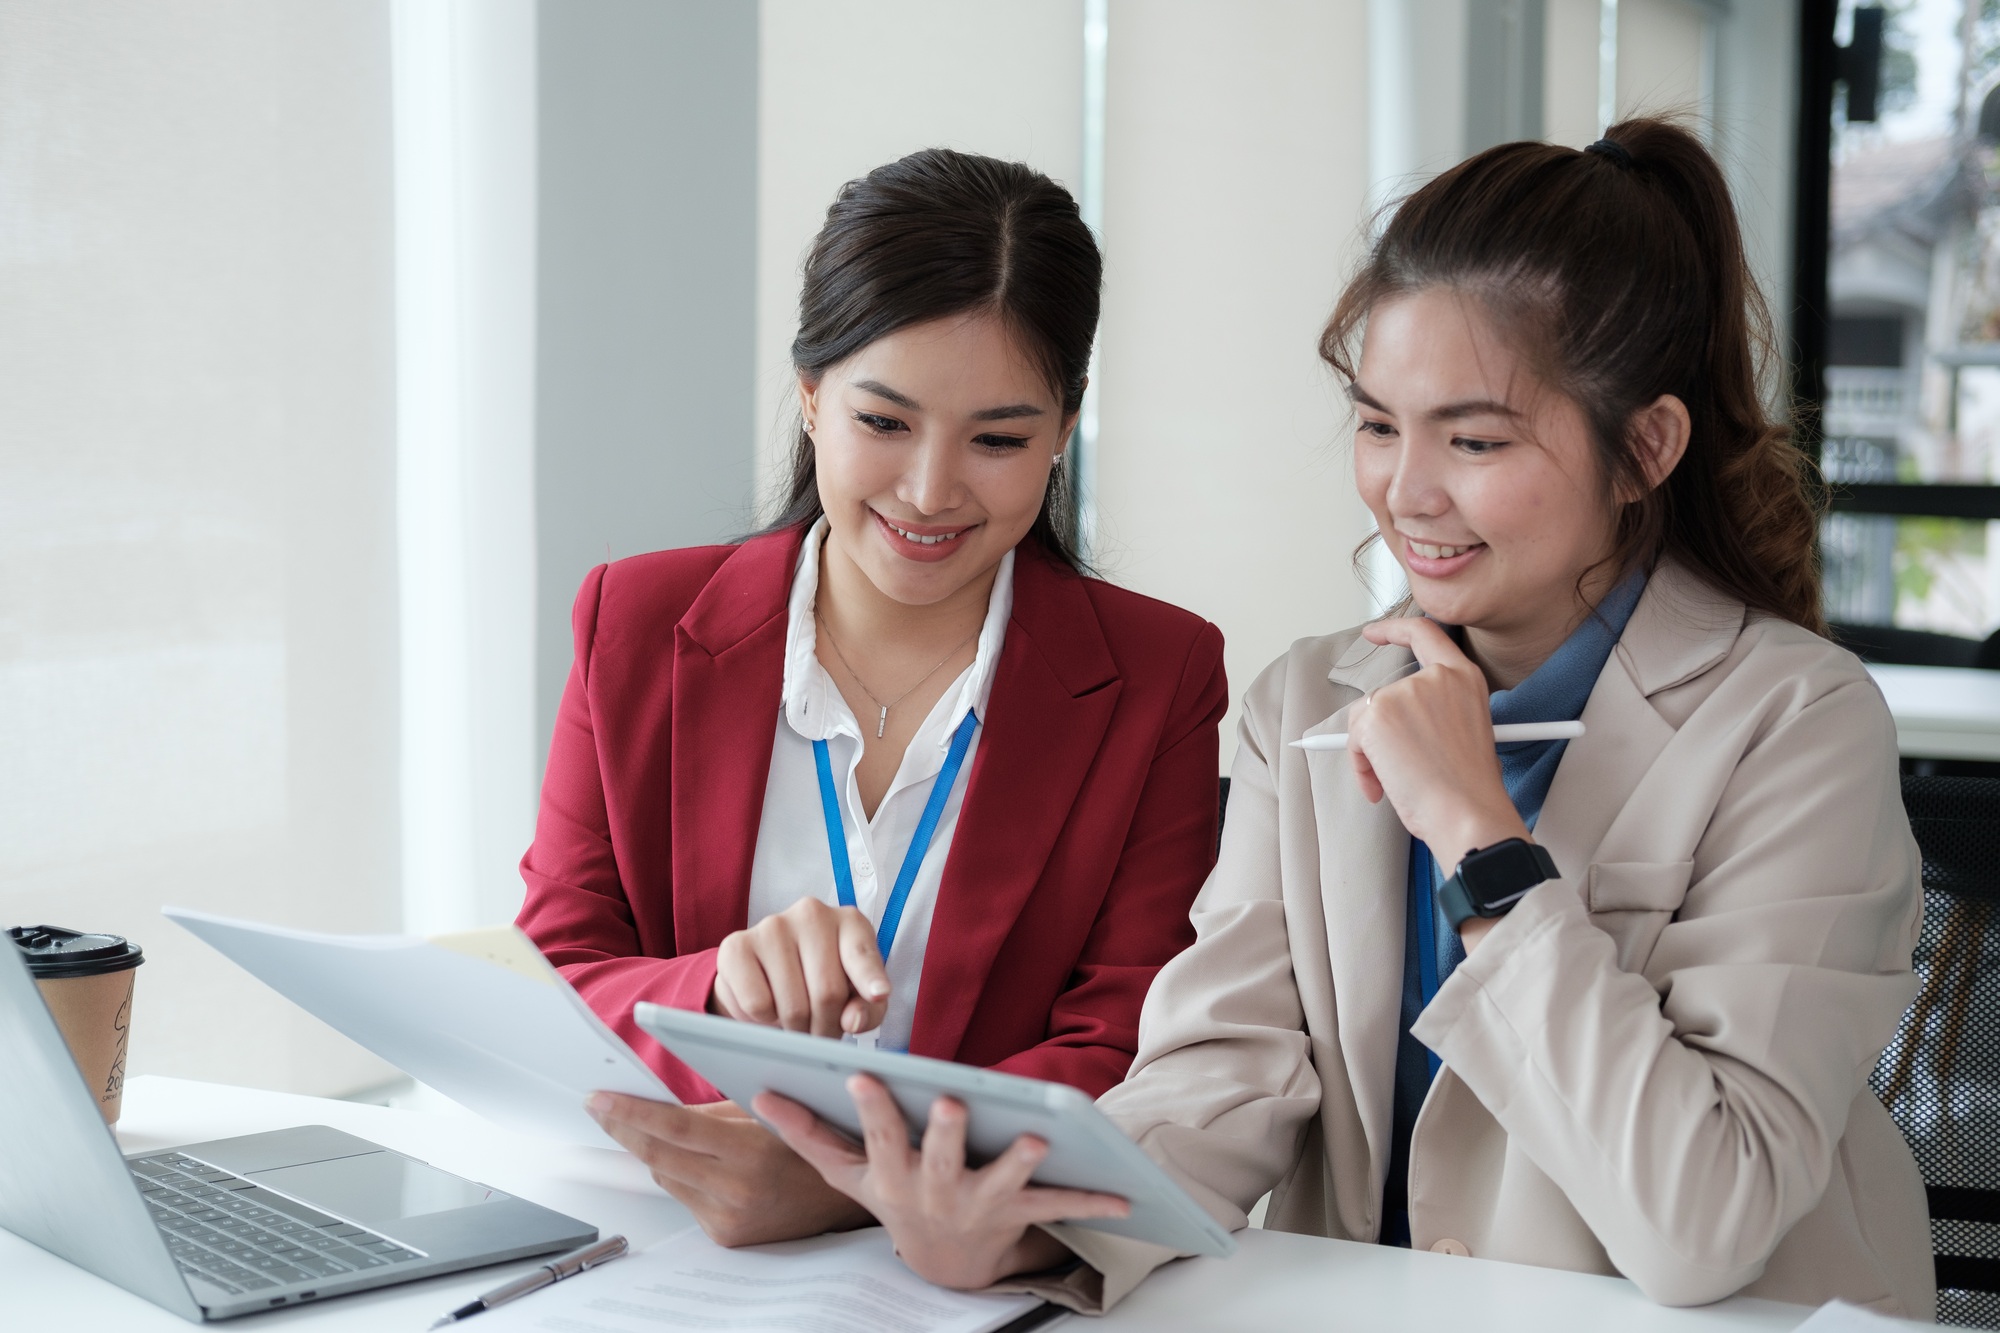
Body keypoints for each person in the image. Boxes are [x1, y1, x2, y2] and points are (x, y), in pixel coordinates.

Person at [760, 119, 1935, 1318]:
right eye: (1377, 425)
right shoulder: (1306, 701)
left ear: (1644, 448)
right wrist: (1032, 1225)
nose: (1405, 492)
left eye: (1472, 439)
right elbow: (1221, 1076)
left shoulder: (1796, 723)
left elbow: (1703, 1218)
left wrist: (1483, 842)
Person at [514, 147, 1228, 1250]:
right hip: (654, 1249)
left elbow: (1125, 1033)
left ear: (1062, 432)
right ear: (809, 396)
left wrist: (850, 1180)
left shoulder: (1158, 674)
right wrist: (715, 985)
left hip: (959, 1268)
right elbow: (551, 975)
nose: (930, 492)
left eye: (998, 438)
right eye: (883, 422)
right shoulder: (636, 620)